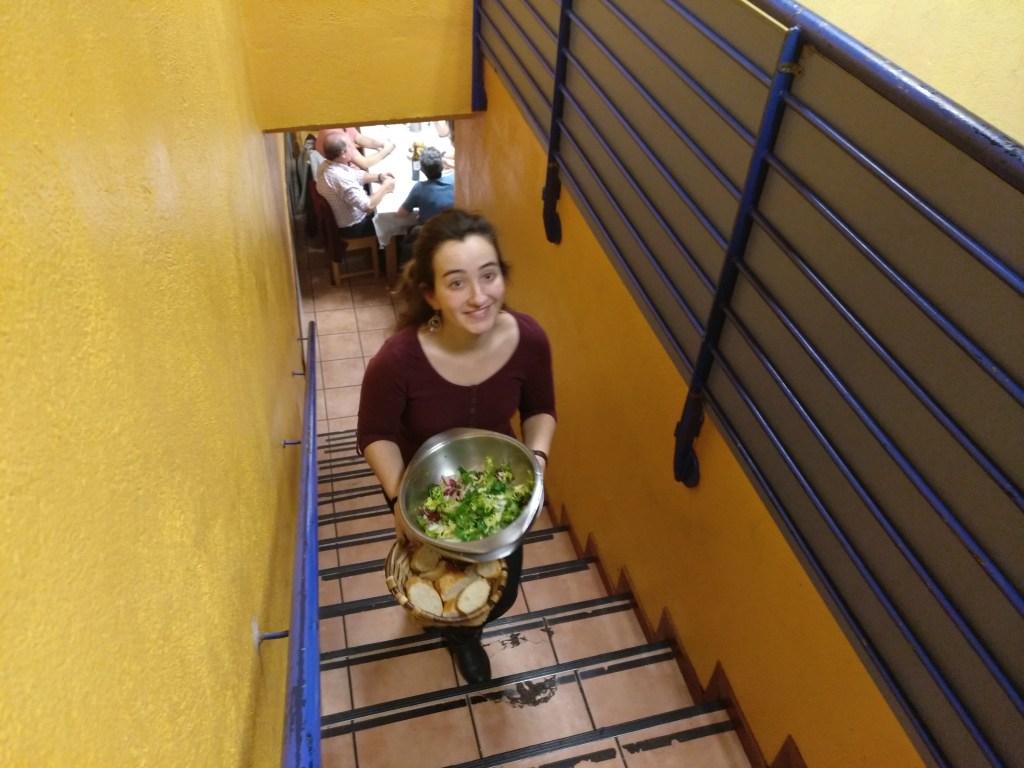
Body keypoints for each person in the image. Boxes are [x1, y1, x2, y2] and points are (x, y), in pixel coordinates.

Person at [357, 209, 557, 684]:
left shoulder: (529, 340)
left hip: (498, 491)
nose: (479, 296)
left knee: (501, 593)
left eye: (488, 276)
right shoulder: (397, 361)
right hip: (422, 493)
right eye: (457, 283)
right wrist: (398, 500)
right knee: (435, 585)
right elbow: (375, 433)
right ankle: (454, 631)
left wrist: (537, 462)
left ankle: (469, 632)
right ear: (430, 294)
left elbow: (540, 409)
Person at [315, 134, 396, 238]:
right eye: (350, 146)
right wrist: (385, 188)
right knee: (393, 217)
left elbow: (356, 175)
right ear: (343, 154)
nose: (353, 149)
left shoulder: (327, 164)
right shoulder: (341, 178)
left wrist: (379, 177)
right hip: (355, 227)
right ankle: (395, 245)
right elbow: (368, 207)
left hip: (346, 217)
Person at [397, 147, 454, 224]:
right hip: (453, 227)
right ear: (442, 167)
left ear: (421, 169)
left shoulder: (419, 188)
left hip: (430, 229)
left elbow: (401, 214)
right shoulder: (455, 179)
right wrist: (450, 164)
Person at [316, 126, 395, 172]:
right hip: (350, 175)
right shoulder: (337, 137)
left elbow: (358, 138)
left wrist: (380, 144)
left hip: (351, 170)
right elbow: (365, 163)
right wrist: (387, 150)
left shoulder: (338, 123)